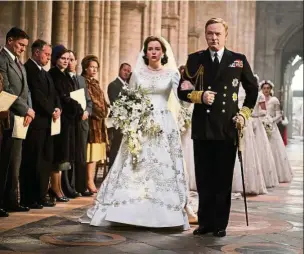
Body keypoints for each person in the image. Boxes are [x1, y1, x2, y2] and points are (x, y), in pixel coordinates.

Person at [80, 36, 190, 230]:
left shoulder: (172, 73)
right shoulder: (137, 74)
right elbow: (130, 99)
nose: (154, 52)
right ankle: (127, 209)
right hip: (141, 124)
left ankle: (164, 212)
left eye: (157, 49)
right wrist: (131, 119)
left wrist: (189, 90)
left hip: (164, 123)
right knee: (136, 164)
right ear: (145, 52)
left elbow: (181, 99)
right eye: (150, 49)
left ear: (163, 52)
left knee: (162, 164)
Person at [178, 18, 258, 237]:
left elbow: (253, 91)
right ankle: (205, 223)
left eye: (217, 34)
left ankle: (220, 224)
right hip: (203, 127)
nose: (213, 38)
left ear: (225, 35)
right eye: (210, 34)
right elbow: (182, 90)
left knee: (222, 178)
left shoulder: (238, 61)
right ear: (205, 34)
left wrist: (244, 114)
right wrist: (200, 96)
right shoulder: (195, 59)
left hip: (227, 127)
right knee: (204, 177)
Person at [20, 39, 61, 209]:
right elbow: (36, 95)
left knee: (45, 161)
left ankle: (41, 195)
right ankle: (29, 197)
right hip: (36, 123)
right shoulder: (28, 69)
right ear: (36, 52)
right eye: (47, 54)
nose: (48, 58)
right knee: (32, 161)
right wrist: (51, 109)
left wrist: (58, 107)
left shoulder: (45, 72)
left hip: (48, 123)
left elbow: (54, 93)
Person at [0, 27, 34, 217]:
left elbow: (26, 89)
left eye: (25, 46)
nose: (22, 49)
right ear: (10, 40)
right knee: (4, 161)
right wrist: (25, 108)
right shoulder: (2, 60)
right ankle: (2, 201)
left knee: (15, 161)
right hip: (8, 115)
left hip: (21, 117)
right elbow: (7, 88)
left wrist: (29, 110)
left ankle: (12, 200)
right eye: (20, 45)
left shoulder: (18, 62)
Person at [66, 50, 93, 197]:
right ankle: (70, 186)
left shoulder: (81, 80)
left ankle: (81, 186)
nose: (70, 62)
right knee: (71, 154)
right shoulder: (64, 78)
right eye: (67, 59)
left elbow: (88, 100)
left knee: (81, 154)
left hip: (83, 120)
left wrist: (88, 111)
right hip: (71, 120)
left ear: (76, 62)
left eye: (72, 59)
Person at [81, 55, 108, 194]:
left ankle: (90, 180)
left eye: (96, 68)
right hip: (91, 122)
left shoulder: (95, 83)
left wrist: (106, 109)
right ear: (85, 68)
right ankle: (88, 181)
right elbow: (91, 101)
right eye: (91, 67)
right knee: (90, 154)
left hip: (99, 123)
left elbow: (102, 100)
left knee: (96, 154)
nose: (94, 70)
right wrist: (100, 111)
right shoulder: (83, 82)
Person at [261, 80, 293, 183]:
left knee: (273, 148)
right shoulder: (260, 99)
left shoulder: (274, 100)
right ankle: (264, 174)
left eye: (268, 88)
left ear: (271, 89)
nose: (266, 90)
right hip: (262, 126)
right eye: (264, 88)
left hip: (272, 126)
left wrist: (271, 121)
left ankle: (275, 174)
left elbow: (279, 115)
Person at [107, 63, 131, 169]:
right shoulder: (113, 85)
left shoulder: (128, 86)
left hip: (127, 121)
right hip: (117, 120)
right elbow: (115, 102)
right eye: (124, 70)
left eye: (128, 71)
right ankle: (112, 170)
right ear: (119, 70)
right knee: (115, 146)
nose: (126, 72)